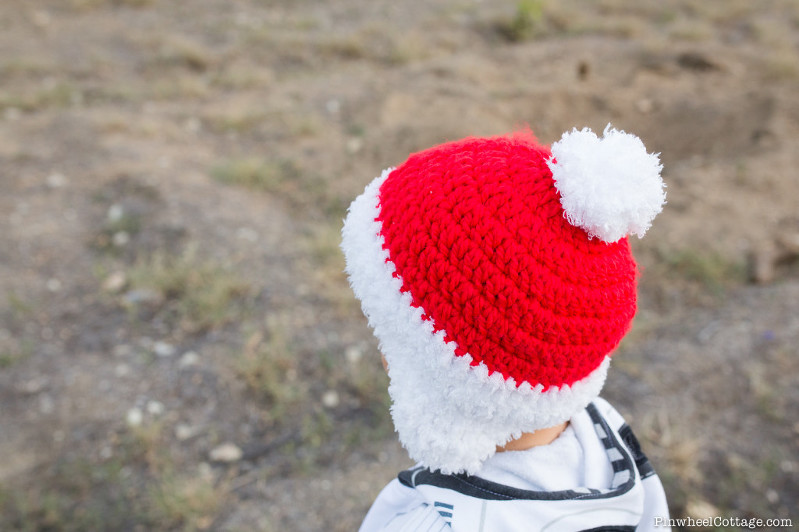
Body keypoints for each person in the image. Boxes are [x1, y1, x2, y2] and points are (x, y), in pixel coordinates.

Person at [340, 126, 671, 531]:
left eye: (393, 336)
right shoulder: (611, 448)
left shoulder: (433, 523)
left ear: (453, 374)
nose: (384, 354)